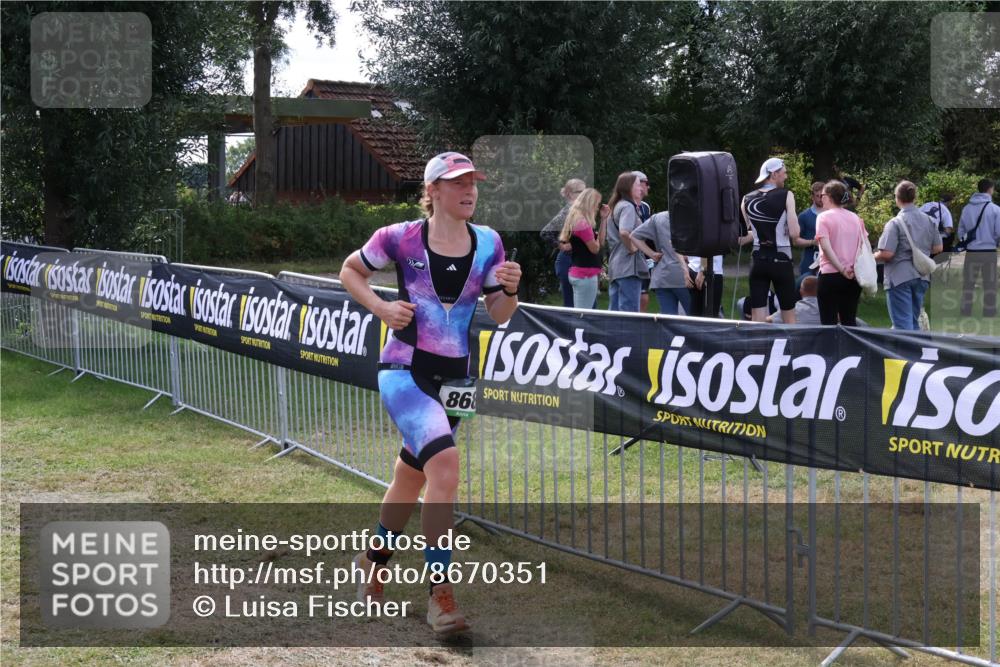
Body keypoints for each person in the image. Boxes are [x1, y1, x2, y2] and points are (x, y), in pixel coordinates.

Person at [339, 151, 521, 635]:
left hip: (458, 377)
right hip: (404, 370)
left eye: (474, 183)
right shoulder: (398, 238)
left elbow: (500, 314)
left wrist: (511, 289)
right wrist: (381, 307)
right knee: (445, 466)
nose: (470, 191)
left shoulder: (489, 243)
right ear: (434, 190)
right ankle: (440, 596)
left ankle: (373, 560)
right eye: (459, 182)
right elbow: (350, 271)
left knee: (411, 478)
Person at [741, 157, 813, 324]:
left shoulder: (747, 198)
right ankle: (790, 350)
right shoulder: (787, 195)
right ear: (774, 174)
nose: (786, 176)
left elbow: (741, 236)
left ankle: (757, 350)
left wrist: (758, 234)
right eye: (784, 173)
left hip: (757, 260)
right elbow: (795, 233)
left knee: (757, 318)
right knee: (789, 316)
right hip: (781, 259)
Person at [874, 180, 943, 330]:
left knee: (902, 325)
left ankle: (904, 353)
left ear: (897, 198)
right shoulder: (930, 220)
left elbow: (887, 253)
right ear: (914, 198)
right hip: (922, 275)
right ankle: (914, 352)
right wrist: (921, 251)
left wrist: (870, 257)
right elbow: (938, 247)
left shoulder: (895, 223)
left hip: (899, 276)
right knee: (913, 321)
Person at [814, 180, 866, 326]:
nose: (820, 198)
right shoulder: (855, 218)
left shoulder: (823, 217)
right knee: (849, 322)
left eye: (822, 194)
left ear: (829, 196)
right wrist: (850, 269)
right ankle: (850, 349)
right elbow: (862, 247)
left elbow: (826, 247)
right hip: (853, 276)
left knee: (828, 323)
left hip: (830, 275)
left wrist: (841, 269)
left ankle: (830, 349)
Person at [631, 211, 693, 315]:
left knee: (668, 321)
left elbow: (634, 236)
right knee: (695, 318)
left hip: (662, 276)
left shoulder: (657, 218)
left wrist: (652, 254)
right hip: (684, 276)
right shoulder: (691, 217)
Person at [559, 188, 609, 309]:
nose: (597, 208)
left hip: (581, 273)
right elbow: (595, 249)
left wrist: (604, 219)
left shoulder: (579, 221)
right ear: (590, 204)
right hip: (585, 275)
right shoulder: (582, 224)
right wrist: (596, 240)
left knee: (581, 312)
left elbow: (600, 242)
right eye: (596, 204)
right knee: (583, 314)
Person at [957, 178, 1000, 317]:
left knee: (968, 283)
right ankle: (989, 312)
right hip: (989, 251)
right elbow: (998, 232)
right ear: (990, 189)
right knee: (990, 283)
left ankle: (965, 311)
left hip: (972, 251)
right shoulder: (995, 209)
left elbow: (961, 232)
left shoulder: (967, 208)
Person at [540, 179, 586, 307]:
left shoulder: (580, 211)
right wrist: (561, 245)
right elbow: (545, 232)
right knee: (572, 306)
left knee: (586, 307)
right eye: (581, 192)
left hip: (579, 262)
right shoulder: (568, 212)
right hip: (568, 262)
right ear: (571, 194)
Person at [606, 172, 646, 312]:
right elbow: (624, 232)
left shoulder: (615, 206)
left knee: (615, 313)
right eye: (637, 185)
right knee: (629, 314)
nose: (641, 188)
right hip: (629, 268)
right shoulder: (628, 207)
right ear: (629, 187)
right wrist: (632, 248)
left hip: (616, 267)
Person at [633, 171, 654, 312]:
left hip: (645, 255)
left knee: (643, 293)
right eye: (646, 183)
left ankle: (640, 324)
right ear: (638, 184)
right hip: (631, 254)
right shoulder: (626, 205)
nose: (648, 187)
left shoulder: (645, 206)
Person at [797, 181, 825, 285]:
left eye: (822, 195)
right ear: (812, 197)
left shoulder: (832, 215)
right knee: (807, 288)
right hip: (809, 259)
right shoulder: (804, 216)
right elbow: (796, 241)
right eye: (817, 196)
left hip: (829, 260)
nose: (820, 198)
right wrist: (812, 242)